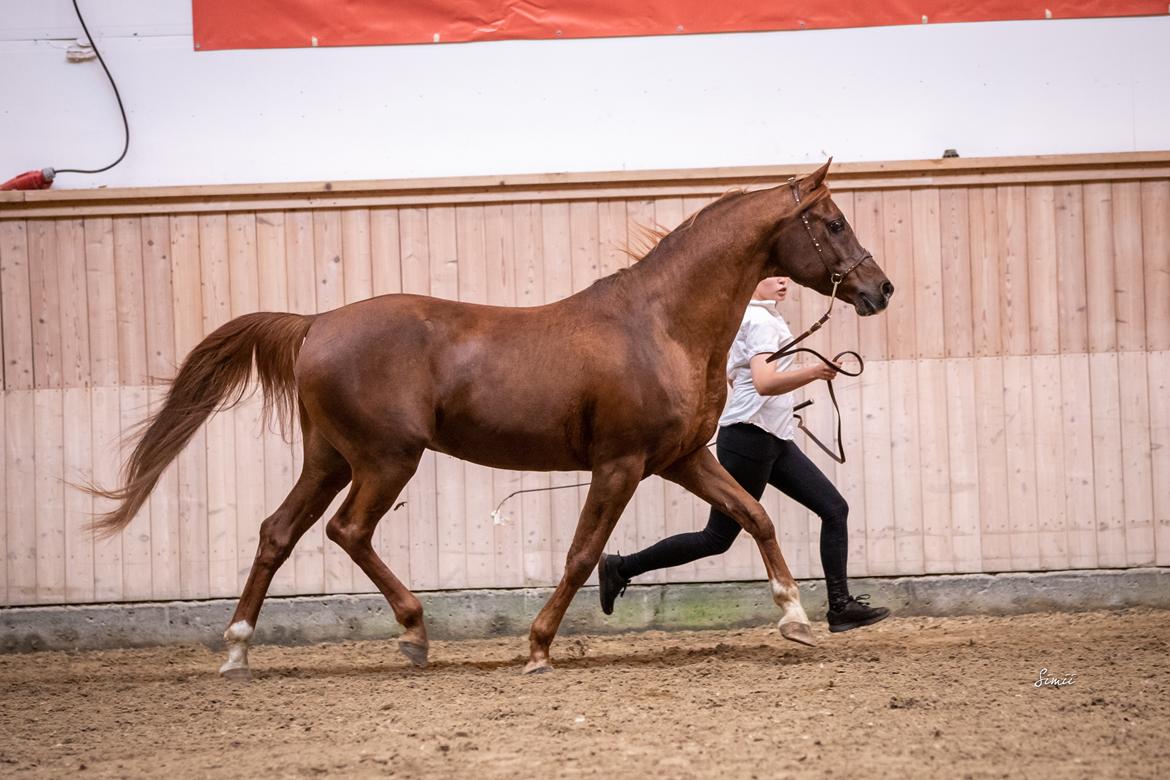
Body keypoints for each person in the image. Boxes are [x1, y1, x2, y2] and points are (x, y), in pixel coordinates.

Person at [599, 276, 889, 632]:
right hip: (751, 439)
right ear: (751, 283)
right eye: (773, 276)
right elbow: (764, 382)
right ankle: (621, 567)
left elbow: (739, 379)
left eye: (785, 275)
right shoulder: (761, 320)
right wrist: (815, 372)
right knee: (717, 538)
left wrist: (777, 410)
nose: (783, 280)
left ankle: (840, 605)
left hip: (770, 437)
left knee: (833, 508)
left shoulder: (750, 317)